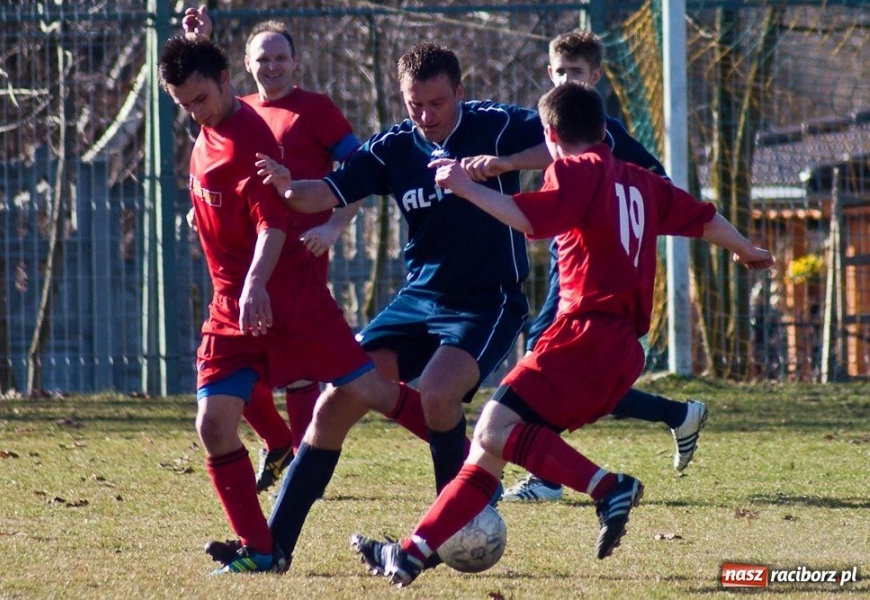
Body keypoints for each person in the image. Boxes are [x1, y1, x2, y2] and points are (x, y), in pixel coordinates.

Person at [350, 81, 774, 586]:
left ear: (550, 135)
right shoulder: (639, 180)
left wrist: (465, 186)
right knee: (488, 450)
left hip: (582, 335)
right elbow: (705, 219)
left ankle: (607, 487)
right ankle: (410, 554)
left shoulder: (575, 169)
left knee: (491, 429)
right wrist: (747, 249)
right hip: (622, 350)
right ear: (601, 131)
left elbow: (529, 219)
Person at [253, 41, 549, 567]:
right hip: (419, 299)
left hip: (487, 301)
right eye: (415, 104)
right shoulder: (393, 147)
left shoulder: (496, 123)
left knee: (437, 393)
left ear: (459, 92)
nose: (426, 116)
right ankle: (273, 548)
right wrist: (286, 186)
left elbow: (567, 145)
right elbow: (326, 192)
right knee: (334, 402)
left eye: (437, 103)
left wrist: (505, 163)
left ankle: (443, 532)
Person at [159, 34, 424, 576]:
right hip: (232, 307)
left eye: (200, 99)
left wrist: (261, 279)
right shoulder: (214, 117)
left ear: (226, 83)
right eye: (184, 103)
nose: (194, 112)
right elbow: (203, 85)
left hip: (292, 301)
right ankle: (260, 550)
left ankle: (473, 456)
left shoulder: (252, 141)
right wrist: (196, 36)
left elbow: (273, 223)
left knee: (371, 391)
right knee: (213, 424)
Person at [502, 29, 708, 502]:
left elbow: (650, 182)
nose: (567, 80)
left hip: (596, 266)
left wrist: (501, 164)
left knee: (548, 358)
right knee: (580, 375)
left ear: (596, 76)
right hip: (569, 256)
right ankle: (677, 415)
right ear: (548, 73)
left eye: (576, 72)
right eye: (560, 72)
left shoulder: (598, 128)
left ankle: (547, 478)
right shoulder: (556, 117)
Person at [182, 6, 363, 495]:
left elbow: (361, 172)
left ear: (295, 62)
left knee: (299, 369)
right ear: (245, 65)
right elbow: (214, 160)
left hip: (298, 255)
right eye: (263, 58)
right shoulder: (235, 110)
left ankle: (304, 469)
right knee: (238, 364)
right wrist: (203, 209)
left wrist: (334, 224)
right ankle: (280, 443)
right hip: (245, 267)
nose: (273, 66)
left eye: (281, 57)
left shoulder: (316, 110)